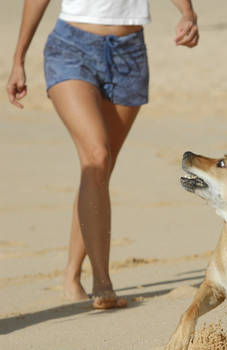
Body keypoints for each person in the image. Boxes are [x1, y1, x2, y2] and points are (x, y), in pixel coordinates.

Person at [6, 0, 199, 309]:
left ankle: (71, 274)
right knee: (96, 156)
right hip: (70, 48)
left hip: (129, 54)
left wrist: (187, 13)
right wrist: (18, 59)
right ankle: (102, 282)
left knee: (98, 169)